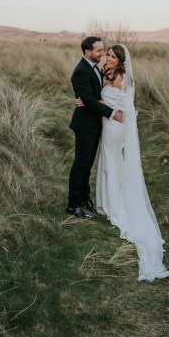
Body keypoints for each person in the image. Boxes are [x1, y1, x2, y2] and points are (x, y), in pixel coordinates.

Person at [77, 44, 169, 282]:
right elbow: (98, 98)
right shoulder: (105, 73)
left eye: (112, 56)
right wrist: (86, 102)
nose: (108, 58)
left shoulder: (122, 77)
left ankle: (117, 207)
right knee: (107, 161)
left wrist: (114, 113)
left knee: (112, 160)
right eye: (106, 54)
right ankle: (109, 202)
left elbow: (126, 106)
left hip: (115, 127)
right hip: (107, 124)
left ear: (120, 60)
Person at [67, 36, 123, 220]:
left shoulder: (95, 68)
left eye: (102, 50)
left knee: (88, 164)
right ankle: (73, 205)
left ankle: (85, 198)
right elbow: (89, 100)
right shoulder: (81, 71)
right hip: (84, 125)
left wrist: (91, 101)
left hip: (94, 124)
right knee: (81, 165)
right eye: (99, 50)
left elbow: (93, 97)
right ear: (87, 52)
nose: (102, 53)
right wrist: (113, 113)